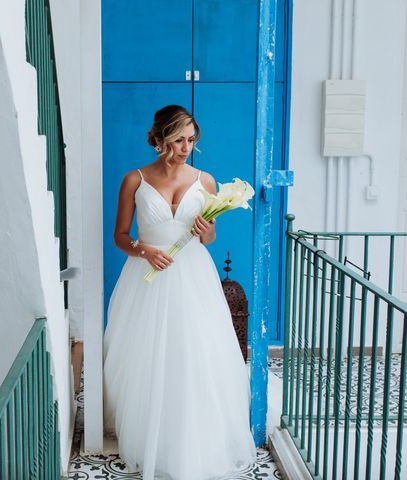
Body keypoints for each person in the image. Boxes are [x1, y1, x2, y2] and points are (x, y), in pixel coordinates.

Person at [103, 105, 256, 480]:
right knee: (147, 354)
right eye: (178, 140)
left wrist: (206, 231)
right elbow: (120, 237)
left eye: (191, 140)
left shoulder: (205, 181)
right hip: (147, 275)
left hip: (193, 276)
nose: (185, 147)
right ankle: (147, 429)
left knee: (195, 351)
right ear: (160, 139)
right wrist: (145, 251)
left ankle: (194, 431)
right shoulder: (134, 180)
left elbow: (210, 238)